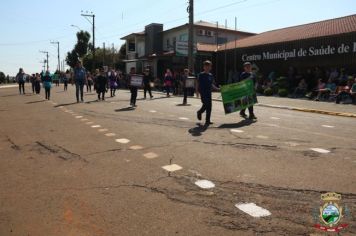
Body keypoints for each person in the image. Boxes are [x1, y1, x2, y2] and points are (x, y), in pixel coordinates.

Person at [196, 60, 219, 126]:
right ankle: (199, 112)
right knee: (206, 104)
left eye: (209, 66)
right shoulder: (201, 74)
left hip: (209, 92)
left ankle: (207, 121)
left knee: (209, 107)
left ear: (210, 67)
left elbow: (212, 84)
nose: (208, 67)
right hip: (203, 92)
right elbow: (197, 83)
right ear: (204, 67)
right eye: (206, 66)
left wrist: (217, 89)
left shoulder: (211, 75)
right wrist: (197, 91)